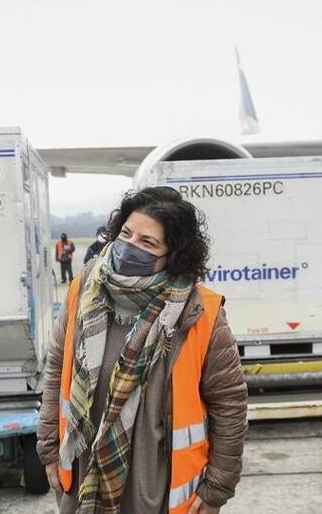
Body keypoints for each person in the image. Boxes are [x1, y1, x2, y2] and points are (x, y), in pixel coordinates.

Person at [37, 187, 247, 514]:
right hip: (83, 480)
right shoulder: (85, 289)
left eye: (147, 242)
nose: (130, 246)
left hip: (157, 488)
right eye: (126, 233)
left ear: (173, 254)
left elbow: (229, 403)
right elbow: (55, 372)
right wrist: (49, 447)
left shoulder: (200, 312)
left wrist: (218, 485)